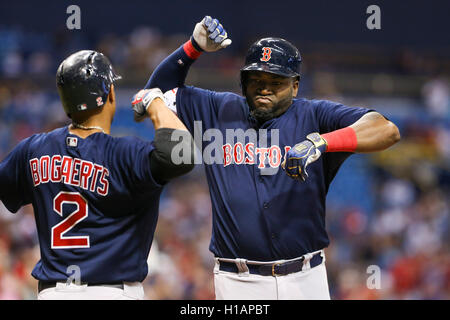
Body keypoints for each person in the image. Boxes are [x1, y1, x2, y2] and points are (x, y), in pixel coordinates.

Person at [142, 16, 401, 300]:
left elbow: (386, 129)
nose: (264, 88)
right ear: (243, 82)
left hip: (306, 277)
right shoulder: (216, 109)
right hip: (238, 281)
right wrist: (192, 49)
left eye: (275, 81)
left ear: (295, 86)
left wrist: (321, 142)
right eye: (256, 79)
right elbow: (152, 96)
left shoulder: (314, 116)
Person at [0, 50, 194, 300]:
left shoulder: (33, 150)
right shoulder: (124, 154)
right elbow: (183, 155)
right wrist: (155, 104)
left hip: (54, 293)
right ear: (109, 94)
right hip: (111, 292)